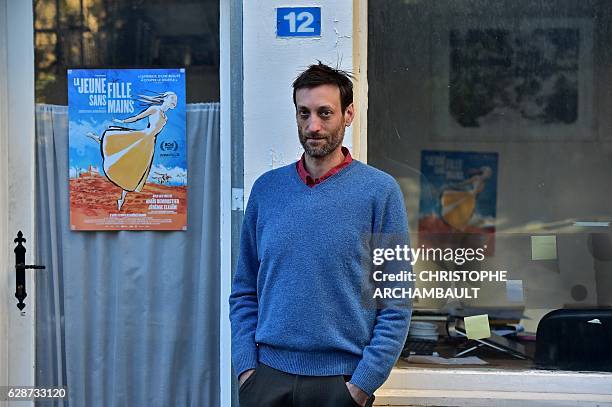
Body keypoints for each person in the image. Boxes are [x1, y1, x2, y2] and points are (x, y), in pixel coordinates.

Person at [229, 62, 412, 407]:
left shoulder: (380, 192)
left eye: (325, 113)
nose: (313, 126)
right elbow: (243, 291)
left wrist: (361, 385)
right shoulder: (267, 191)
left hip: (340, 385)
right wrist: (247, 371)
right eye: (304, 113)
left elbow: (397, 300)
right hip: (267, 380)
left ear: (349, 114)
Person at [87, 91, 178, 210]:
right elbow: (137, 118)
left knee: (135, 172)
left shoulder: (165, 118)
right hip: (142, 137)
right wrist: (122, 122)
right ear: (165, 98)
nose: (174, 101)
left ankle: (122, 199)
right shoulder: (154, 109)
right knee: (118, 149)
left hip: (149, 145)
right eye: (172, 98)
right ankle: (97, 138)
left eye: (175, 100)